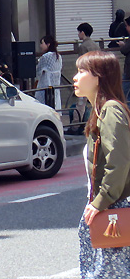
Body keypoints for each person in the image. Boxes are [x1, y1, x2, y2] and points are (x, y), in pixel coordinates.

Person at [72, 51, 130, 278]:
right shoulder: (100, 111)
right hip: (109, 206)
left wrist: (100, 202)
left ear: (99, 77)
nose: (75, 77)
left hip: (114, 208)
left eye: (81, 71)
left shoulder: (111, 111)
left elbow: (119, 161)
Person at [36, 35, 62, 109]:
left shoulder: (46, 56)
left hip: (45, 86)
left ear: (48, 44)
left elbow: (38, 70)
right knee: (55, 105)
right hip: (56, 86)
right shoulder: (58, 56)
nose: (40, 45)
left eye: (42, 43)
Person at [119, 17, 130, 102]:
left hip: (129, 72)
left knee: (124, 94)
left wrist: (123, 45)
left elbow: (125, 50)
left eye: (126, 26)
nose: (126, 28)